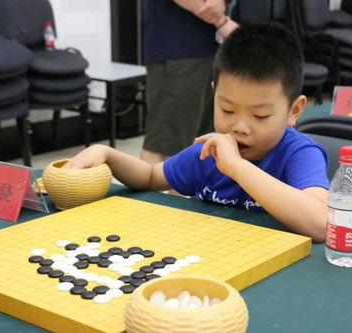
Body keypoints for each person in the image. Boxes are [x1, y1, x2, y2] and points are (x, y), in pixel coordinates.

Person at [64, 23, 329, 242]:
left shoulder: (299, 153)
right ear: (214, 95)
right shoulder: (209, 150)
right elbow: (151, 176)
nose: (239, 126)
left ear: (294, 110)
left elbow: (321, 224)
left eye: (260, 115)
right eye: (227, 109)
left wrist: (237, 167)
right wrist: (108, 154)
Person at [141, 0, 239, 164]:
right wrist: (219, 19)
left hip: (209, 47)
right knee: (166, 146)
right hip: (178, 48)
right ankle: (153, 190)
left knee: (203, 142)